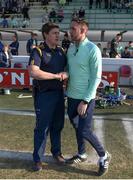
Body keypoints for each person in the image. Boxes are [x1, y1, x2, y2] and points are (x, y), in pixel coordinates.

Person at [66, 18, 111, 176]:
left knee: (84, 130)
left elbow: (96, 78)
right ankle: (82, 153)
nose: (70, 31)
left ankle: (103, 156)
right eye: (70, 28)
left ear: (83, 31)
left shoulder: (93, 49)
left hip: (86, 98)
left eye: (73, 29)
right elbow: (69, 71)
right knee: (77, 126)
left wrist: (85, 100)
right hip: (71, 96)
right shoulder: (71, 49)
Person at [28, 22, 68, 171]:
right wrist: (55, 76)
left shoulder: (61, 51)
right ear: (46, 34)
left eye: (58, 33)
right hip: (44, 96)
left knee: (57, 126)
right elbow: (33, 72)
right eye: (54, 33)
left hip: (59, 94)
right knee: (42, 128)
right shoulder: (38, 51)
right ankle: (37, 158)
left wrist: (66, 74)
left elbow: (67, 69)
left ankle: (56, 152)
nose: (58, 35)